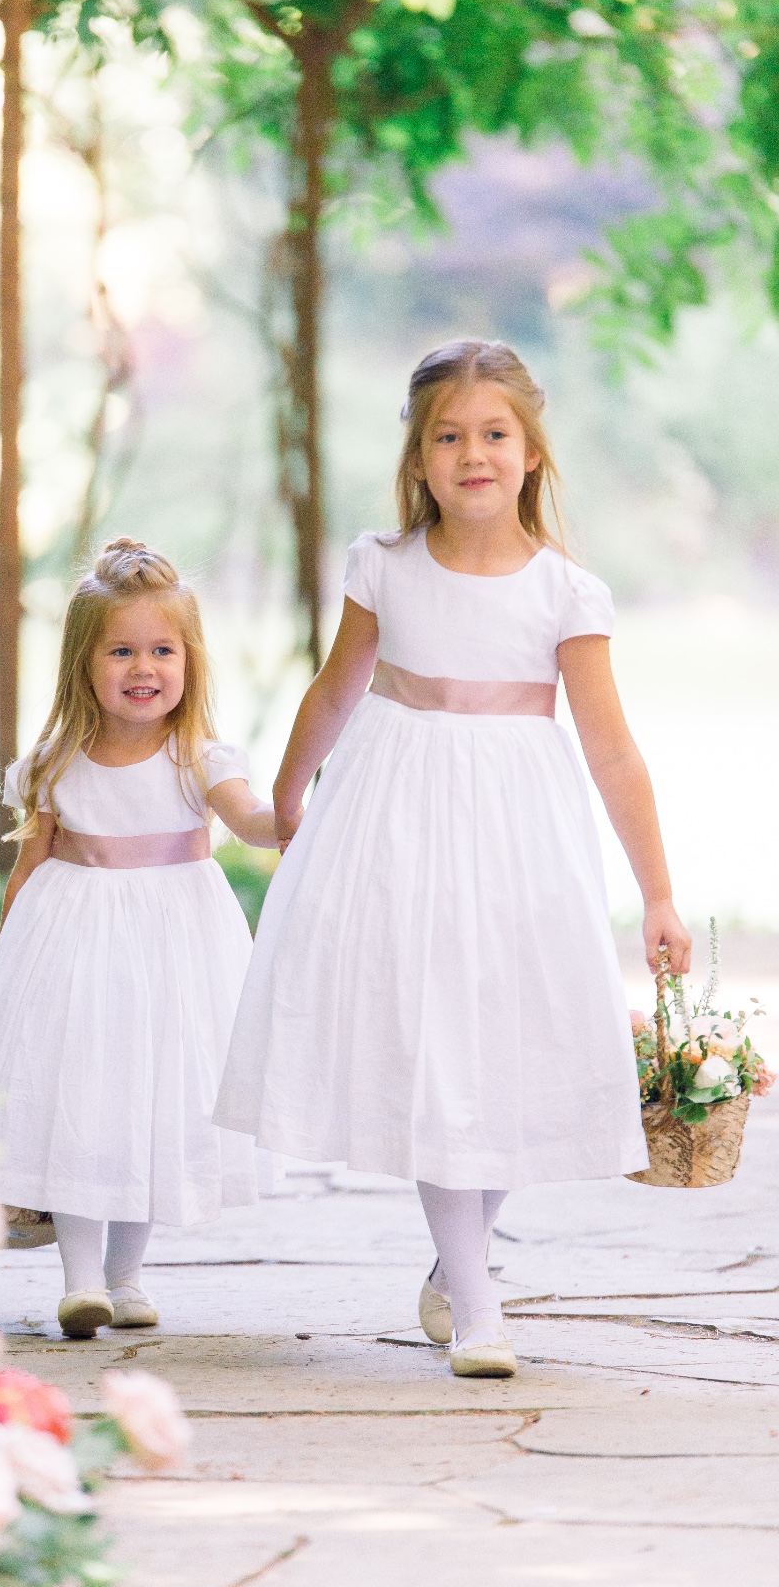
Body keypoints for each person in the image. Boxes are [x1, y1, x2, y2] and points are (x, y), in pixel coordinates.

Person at [214, 339, 690, 1379]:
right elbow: (336, 689)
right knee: (432, 1037)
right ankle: (477, 1300)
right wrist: (290, 790)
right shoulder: (384, 567)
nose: (471, 452)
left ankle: (455, 1262)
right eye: (448, 435)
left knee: (509, 1041)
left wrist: (658, 891)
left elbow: (611, 747)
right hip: (395, 820)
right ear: (419, 457)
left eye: (492, 434)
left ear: (530, 451)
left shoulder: (568, 593)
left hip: (518, 830)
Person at [0, 536, 277, 1339]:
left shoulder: (200, 757)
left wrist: (292, 814)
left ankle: (127, 1274)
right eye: (121, 650)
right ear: (84, 663)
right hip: (76, 949)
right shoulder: (56, 763)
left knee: (150, 1104)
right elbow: (32, 869)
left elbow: (252, 820)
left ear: (189, 662)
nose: (142, 667)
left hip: (174, 952)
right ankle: (81, 1278)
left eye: (162, 650)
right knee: (79, 1100)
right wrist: (13, 970)